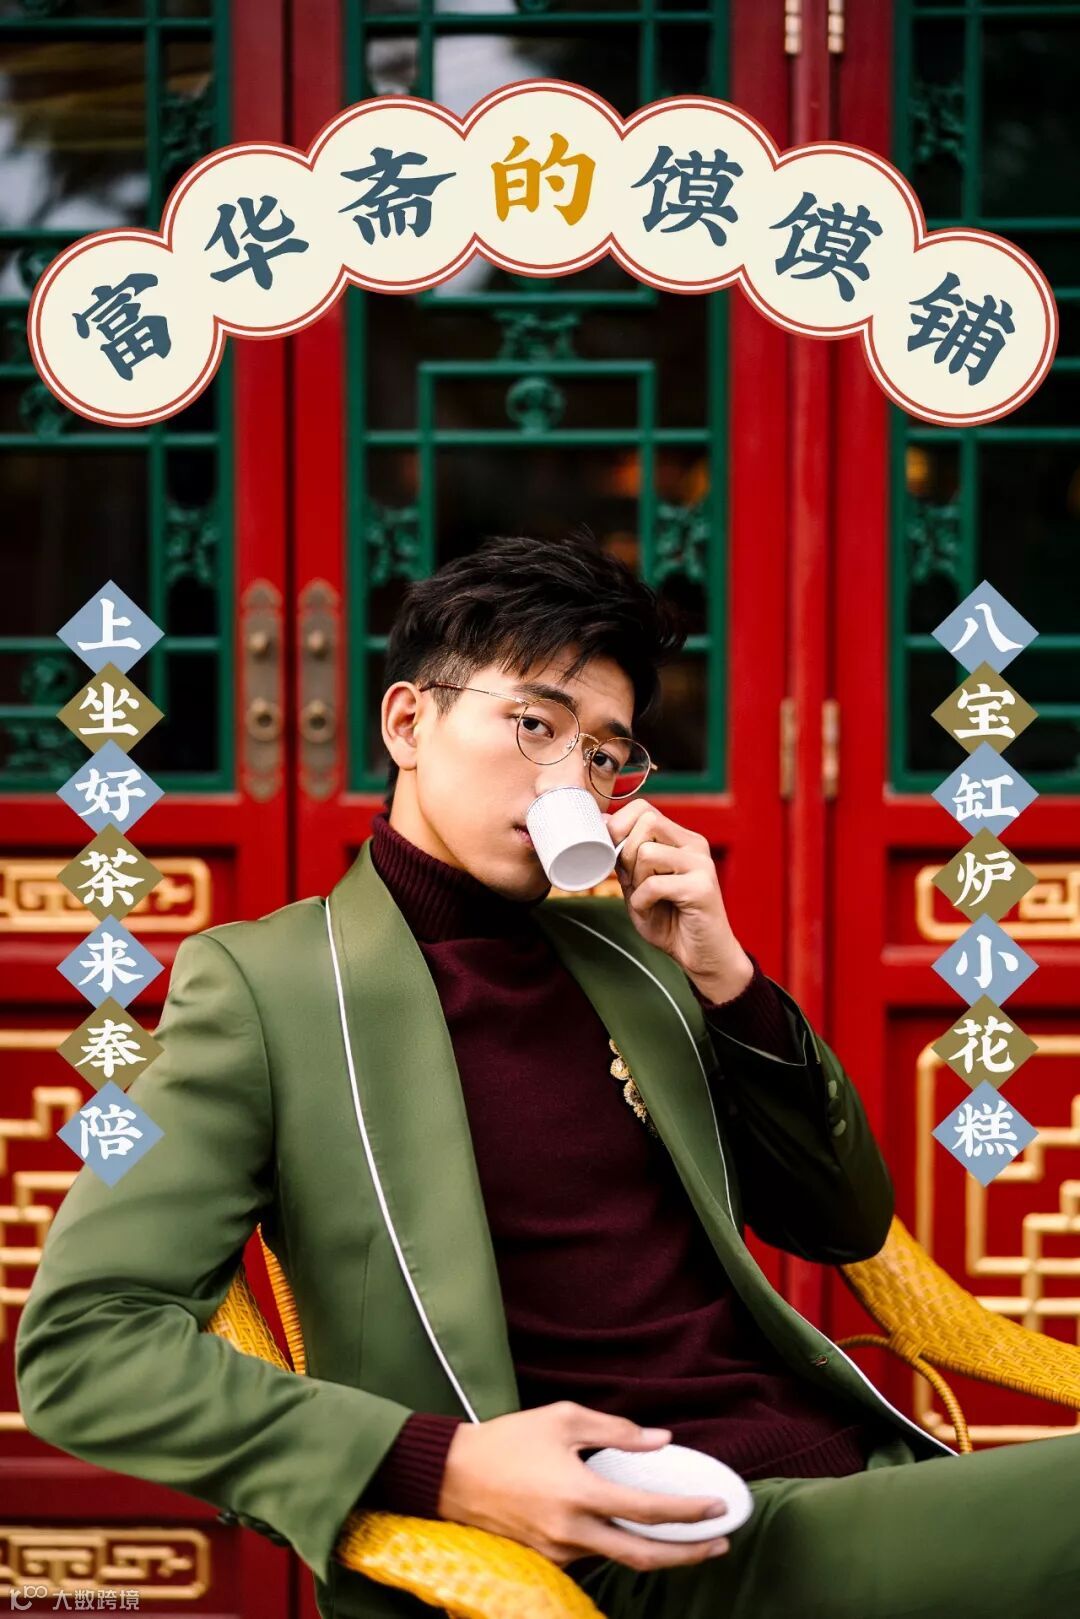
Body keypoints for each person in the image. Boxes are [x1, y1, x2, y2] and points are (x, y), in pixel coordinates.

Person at [16, 533, 1080, 1619]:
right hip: (624, 1550)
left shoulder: (634, 953)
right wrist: (442, 1463)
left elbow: (840, 1219)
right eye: (535, 724)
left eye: (606, 755)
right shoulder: (269, 988)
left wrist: (730, 980)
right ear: (406, 723)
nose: (573, 778)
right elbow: (83, 1342)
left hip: (843, 1476)